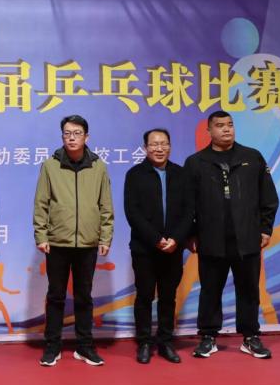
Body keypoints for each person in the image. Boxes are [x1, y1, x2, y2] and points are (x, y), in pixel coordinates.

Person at [184, 110, 279, 360]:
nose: (226, 129)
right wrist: (190, 234)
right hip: (211, 239)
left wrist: (265, 228)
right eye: (220, 125)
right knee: (210, 290)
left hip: (246, 238)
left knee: (248, 290)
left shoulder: (252, 157)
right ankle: (208, 337)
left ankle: (250, 336)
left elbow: (269, 197)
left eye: (230, 124)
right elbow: (187, 204)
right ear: (209, 131)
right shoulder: (196, 162)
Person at [33, 114, 114, 368]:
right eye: (67, 133)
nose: (71, 138)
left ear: (86, 137)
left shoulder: (98, 166)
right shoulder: (50, 166)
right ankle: (52, 346)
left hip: (88, 243)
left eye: (77, 133)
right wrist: (41, 235)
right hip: (57, 242)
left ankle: (85, 346)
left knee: (84, 297)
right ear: (62, 137)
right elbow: (41, 203)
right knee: (56, 295)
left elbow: (106, 205)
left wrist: (105, 236)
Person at [123, 128, 193, 364]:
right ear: (145, 148)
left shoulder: (181, 174)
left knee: (168, 297)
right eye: (154, 144)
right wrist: (155, 239)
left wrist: (176, 239)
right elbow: (132, 212)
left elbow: (189, 211)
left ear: (170, 147)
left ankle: (165, 341)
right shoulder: (135, 175)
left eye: (164, 144)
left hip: (173, 248)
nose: (159, 148)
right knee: (144, 296)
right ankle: (144, 342)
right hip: (144, 249)